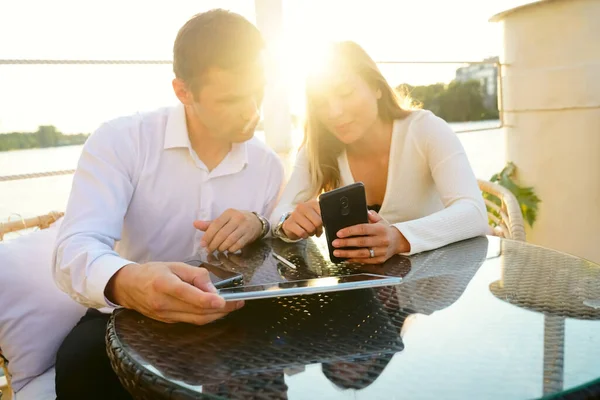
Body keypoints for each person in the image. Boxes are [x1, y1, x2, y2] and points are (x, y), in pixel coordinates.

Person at [52, 9, 284, 399]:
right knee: (78, 364)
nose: (253, 111)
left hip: (233, 317)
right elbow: (73, 248)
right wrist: (128, 282)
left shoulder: (268, 165)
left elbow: (277, 247)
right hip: (129, 316)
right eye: (230, 98)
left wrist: (261, 225)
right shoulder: (121, 141)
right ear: (183, 92)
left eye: (257, 89)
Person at [270, 41, 489, 262]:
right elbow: (278, 215)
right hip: (363, 287)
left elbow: (474, 212)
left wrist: (399, 237)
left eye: (345, 93)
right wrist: (289, 222)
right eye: (321, 102)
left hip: (439, 282)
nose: (334, 112)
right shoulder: (317, 149)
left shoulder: (425, 129)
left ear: (377, 87)